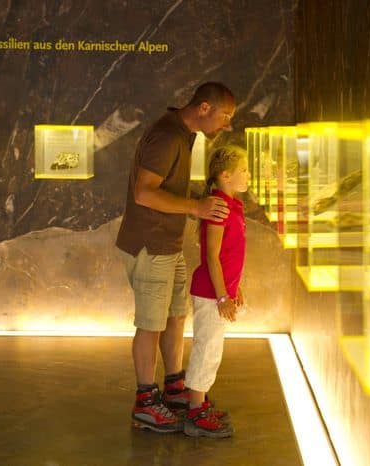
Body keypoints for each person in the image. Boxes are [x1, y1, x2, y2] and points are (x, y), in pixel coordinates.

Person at [116, 82, 236, 433]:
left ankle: (173, 385)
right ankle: (145, 401)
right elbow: (143, 193)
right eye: (224, 116)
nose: (226, 124)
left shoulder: (184, 134)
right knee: (151, 324)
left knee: (174, 316)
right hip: (150, 245)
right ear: (203, 108)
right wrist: (196, 207)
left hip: (167, 244)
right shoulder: (168, 137)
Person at [183, 144, 249, 438]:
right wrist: (223, 296)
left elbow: (230, 255)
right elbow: (211, 255)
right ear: (225, 175)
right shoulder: (219, 206)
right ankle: (195, 411)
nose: (248, 175)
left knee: (213, 350)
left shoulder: (232, 204)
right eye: (243, 171)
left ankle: (200, 401)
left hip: (221, 291)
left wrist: (236, 288)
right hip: (211, 293)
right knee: (207, 349)